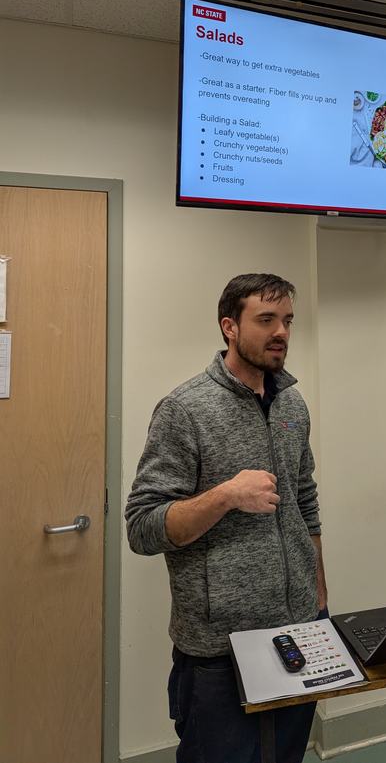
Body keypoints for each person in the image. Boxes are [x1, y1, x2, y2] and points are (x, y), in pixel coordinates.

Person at [125, 273, 327, 763]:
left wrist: (318, 593)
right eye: (265, 320)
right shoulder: (184, 410)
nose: (281, 332)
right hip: (220, 648)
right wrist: (226, 495)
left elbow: (305, 501)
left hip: (298, 629)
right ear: (229, 327)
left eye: (287, 321)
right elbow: (142, 527)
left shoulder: (292, 405)